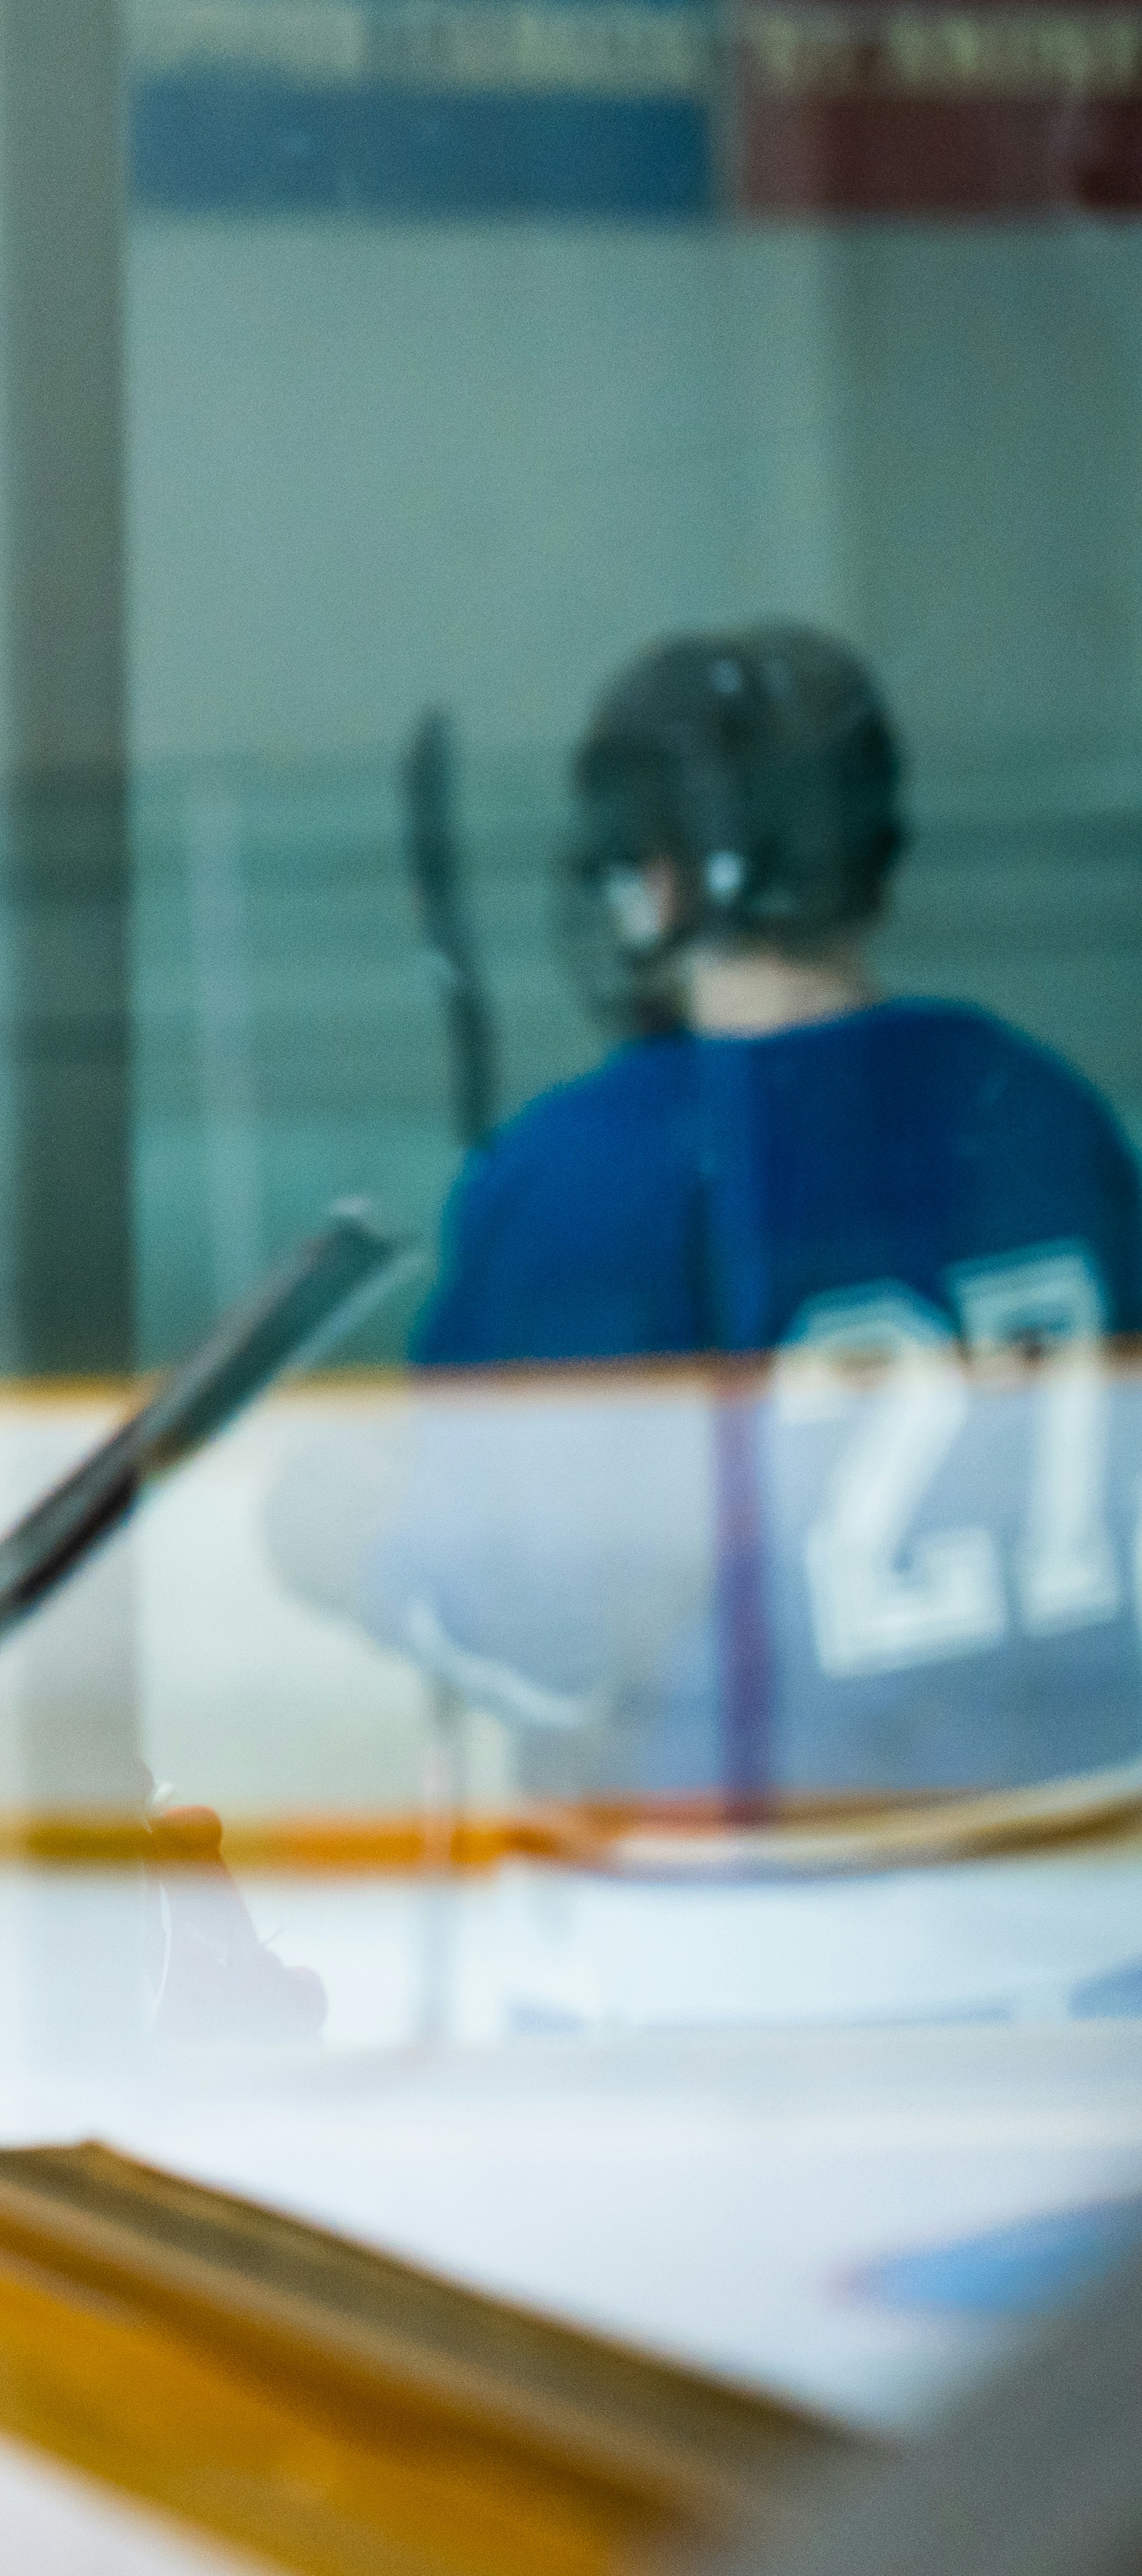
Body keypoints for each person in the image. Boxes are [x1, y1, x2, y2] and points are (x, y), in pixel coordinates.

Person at [300, 623, 1142, 2019]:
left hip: (746, 1976)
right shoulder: (1041, 1109)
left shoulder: (586, 1172)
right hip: (1092, 1943)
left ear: (656, 878)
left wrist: (340, 1545)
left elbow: (541, 1641)